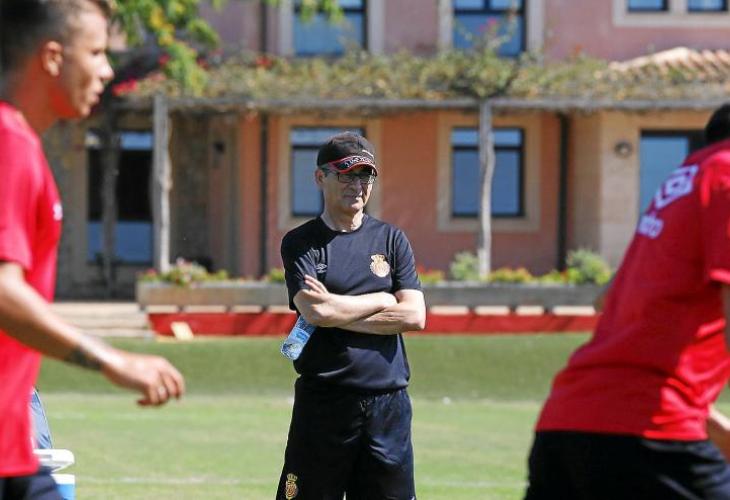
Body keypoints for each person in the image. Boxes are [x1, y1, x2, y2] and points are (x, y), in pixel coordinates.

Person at [0, 0, 185, 497]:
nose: (107, 71)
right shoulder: (8, 142)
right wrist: (113, 361)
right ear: (52, 57)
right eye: (98, 52)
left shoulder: (22, 143)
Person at [524, 103, 730, 499]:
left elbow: (610, 300)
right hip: (646, 438)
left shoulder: (687, 179)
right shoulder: (724, 174)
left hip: (570, 420)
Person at [275, 132, 426, 500]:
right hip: (325, 403)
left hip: (388, 405)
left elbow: (414, 315)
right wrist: (383, 299)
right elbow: (316, 310)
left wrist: (336, 311)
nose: (357, 185)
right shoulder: (301, 242)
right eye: (346, 175)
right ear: (320, 177)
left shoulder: (392, 240)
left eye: (365, 175)